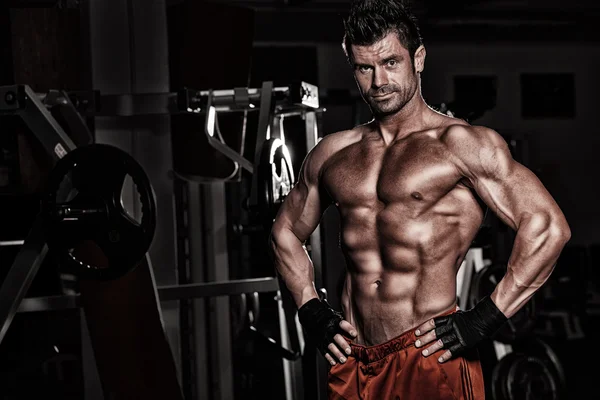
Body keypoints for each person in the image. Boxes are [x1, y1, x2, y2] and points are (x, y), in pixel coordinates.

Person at [269, 0, 571, 399]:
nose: (379, 81)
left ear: (419, 58)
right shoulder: (333, 153)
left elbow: (548, 228)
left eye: (391, 62)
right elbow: (285, 231)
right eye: (365, 68)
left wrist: (483, 319)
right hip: (353, 359)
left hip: (430, 354)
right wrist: (310, 307)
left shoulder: (461, 144)